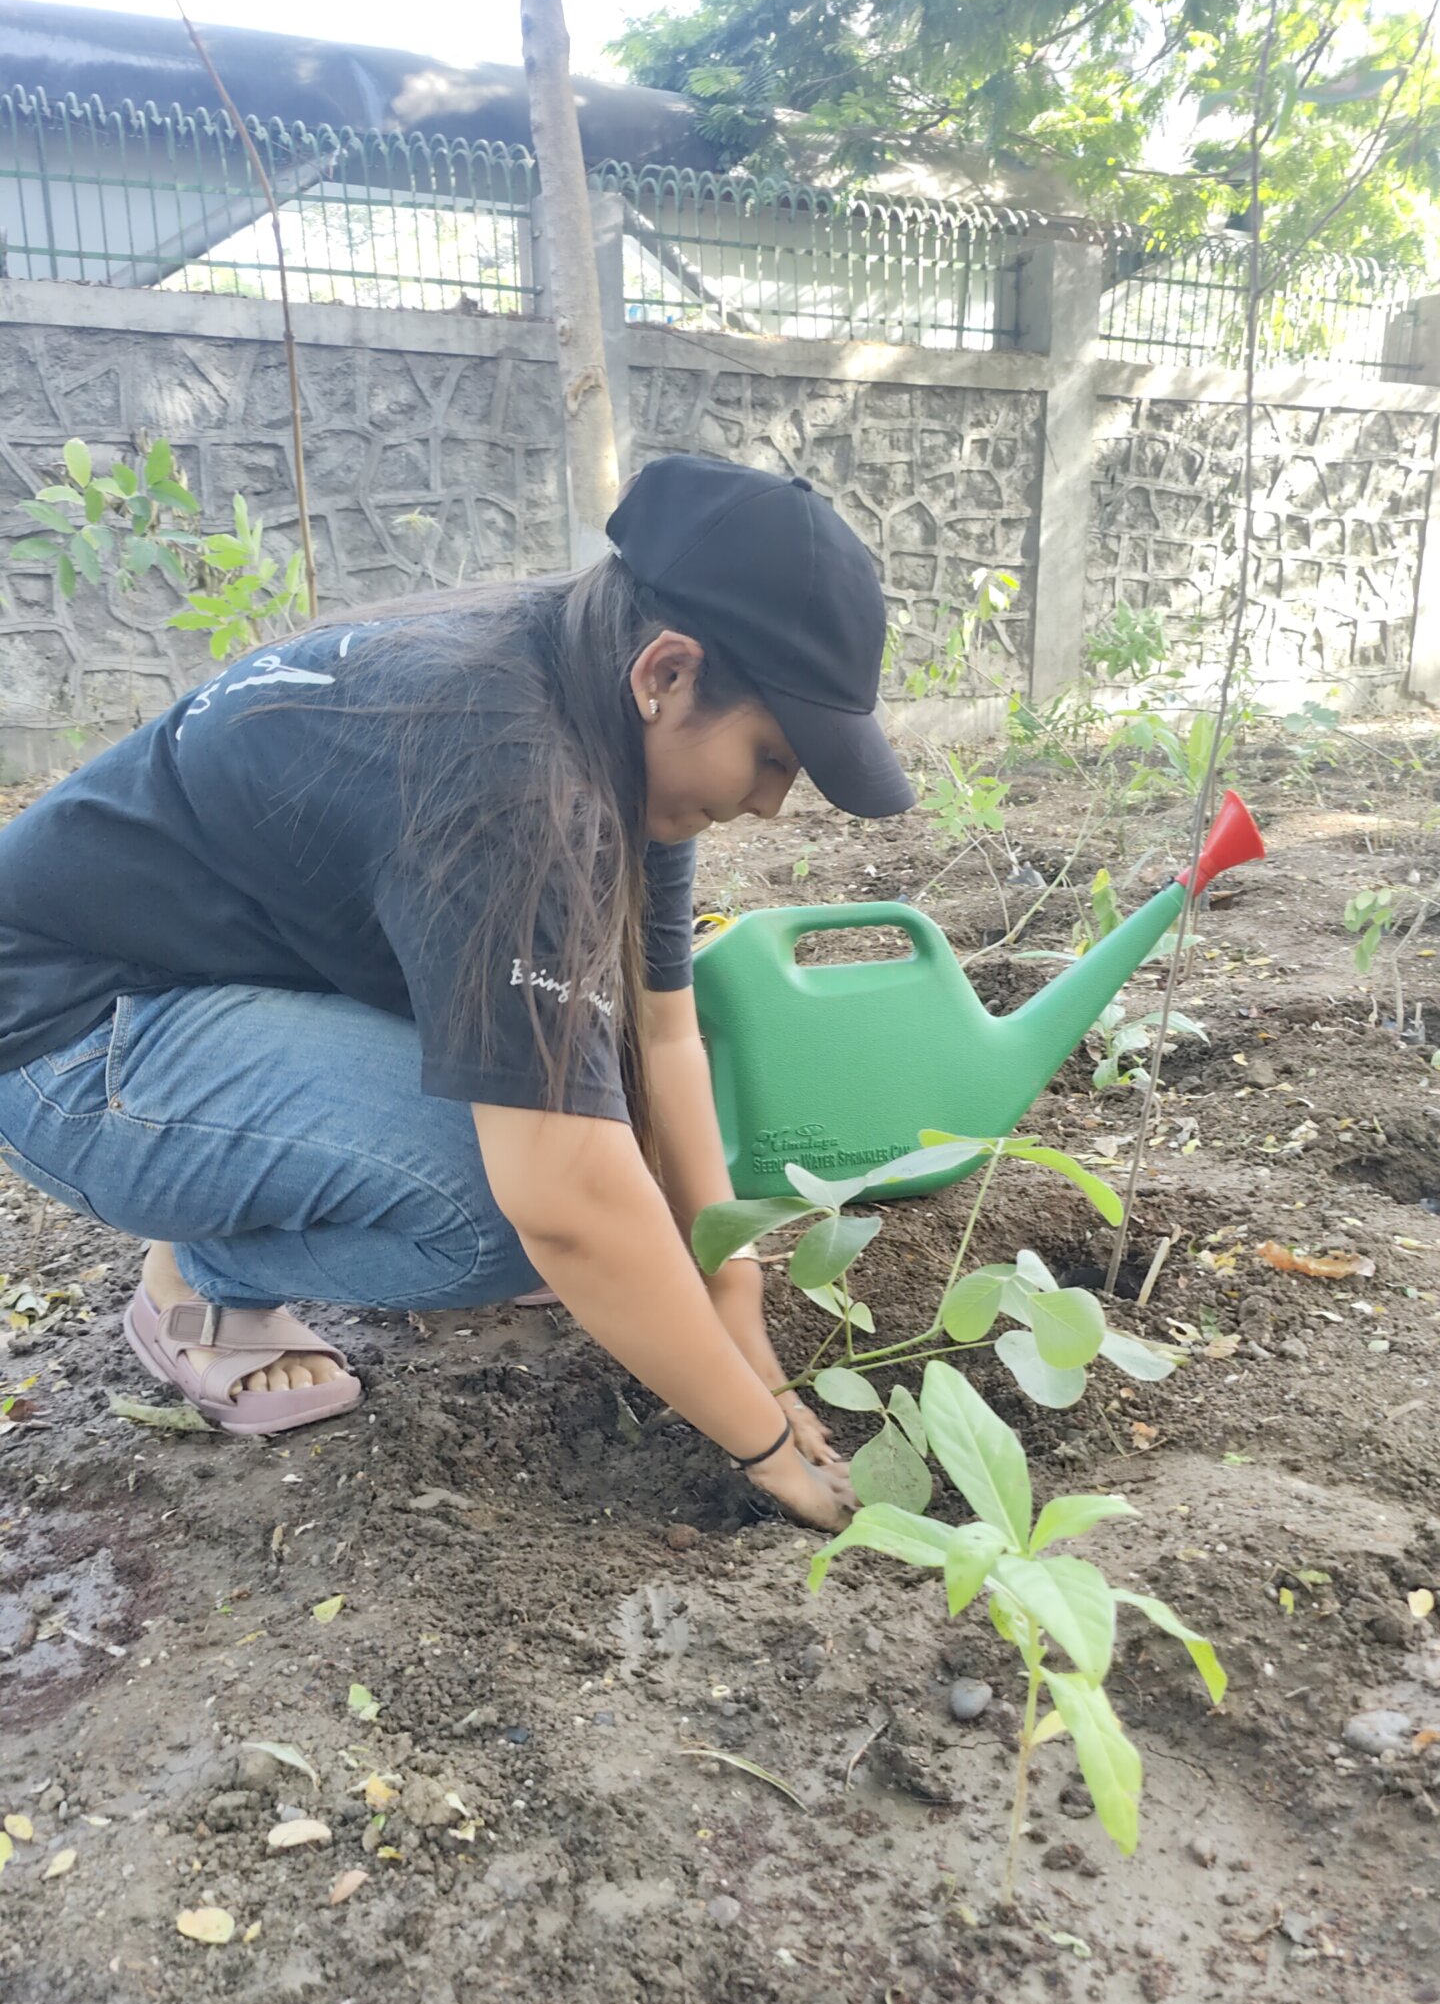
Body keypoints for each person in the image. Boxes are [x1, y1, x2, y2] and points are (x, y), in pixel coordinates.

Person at [0, 453, 914, 1531]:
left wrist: (731, 1293)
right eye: (771, 755)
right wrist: (761, 1442)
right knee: (514, 1219)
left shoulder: (599, 696)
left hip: (214, 979)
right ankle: (199, 1275)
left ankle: (253, 1181)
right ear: (668, 673)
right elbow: (567, 1203)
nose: (770, 804)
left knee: (584, 1119)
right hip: (73, 1038)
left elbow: (663, 1034)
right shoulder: (507, 771)